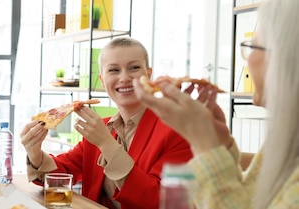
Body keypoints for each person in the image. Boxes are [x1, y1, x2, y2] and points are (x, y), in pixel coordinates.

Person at [132, 0, 299, 208]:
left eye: (253, 45)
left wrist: (205, 144)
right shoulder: (286, 140)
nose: (247, 60)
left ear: (287, 58)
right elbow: (250, 202)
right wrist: (220, 146)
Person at [20, 37, 193, 209]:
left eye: (134, 68)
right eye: (114, 70)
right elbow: (62, 174)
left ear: (148, 75)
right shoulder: (102, 128)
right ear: (102, 80)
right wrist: (34, 152)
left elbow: (161, 202)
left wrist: (106, 144)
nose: (124, 78)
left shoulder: (177, 131)